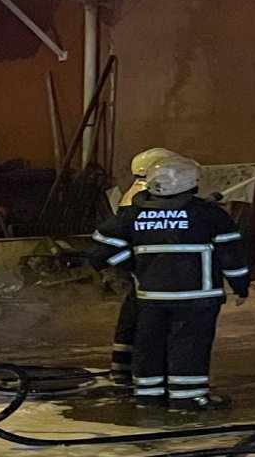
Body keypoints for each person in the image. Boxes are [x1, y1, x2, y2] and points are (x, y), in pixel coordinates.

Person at [92, 156, 249, 411]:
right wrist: (240, 286)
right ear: (192, 183)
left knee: (149, 344)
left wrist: (135, 265)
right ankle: (188, 397)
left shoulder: (131, 215)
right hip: (197, 298)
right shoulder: (209, 215)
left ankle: (149, 395)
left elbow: (99, 250)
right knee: (189, 345)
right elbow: (231, 255)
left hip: (151, 297)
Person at [108, 147, 180, 385]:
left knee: (133, 311)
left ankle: (123, 367)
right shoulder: (145, 198)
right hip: (148, 269)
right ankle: (142, 371)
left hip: (141, 267)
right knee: (145, 318)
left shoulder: (136, 194)